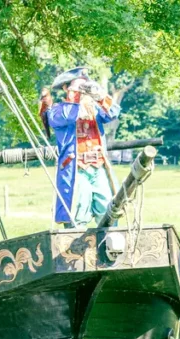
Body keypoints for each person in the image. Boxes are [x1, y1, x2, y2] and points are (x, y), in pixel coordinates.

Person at [38, 67, 120, 228]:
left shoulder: (94, 108)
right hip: (76, 170)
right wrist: (76, 96)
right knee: (77, 214)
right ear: (65, 88)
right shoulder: (57, 111)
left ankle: (108, 248)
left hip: (99, 168)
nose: (83, 91)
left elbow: (113, 113)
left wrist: (99, 95)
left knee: (109, 210)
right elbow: (69, 115)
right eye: (78, 87)